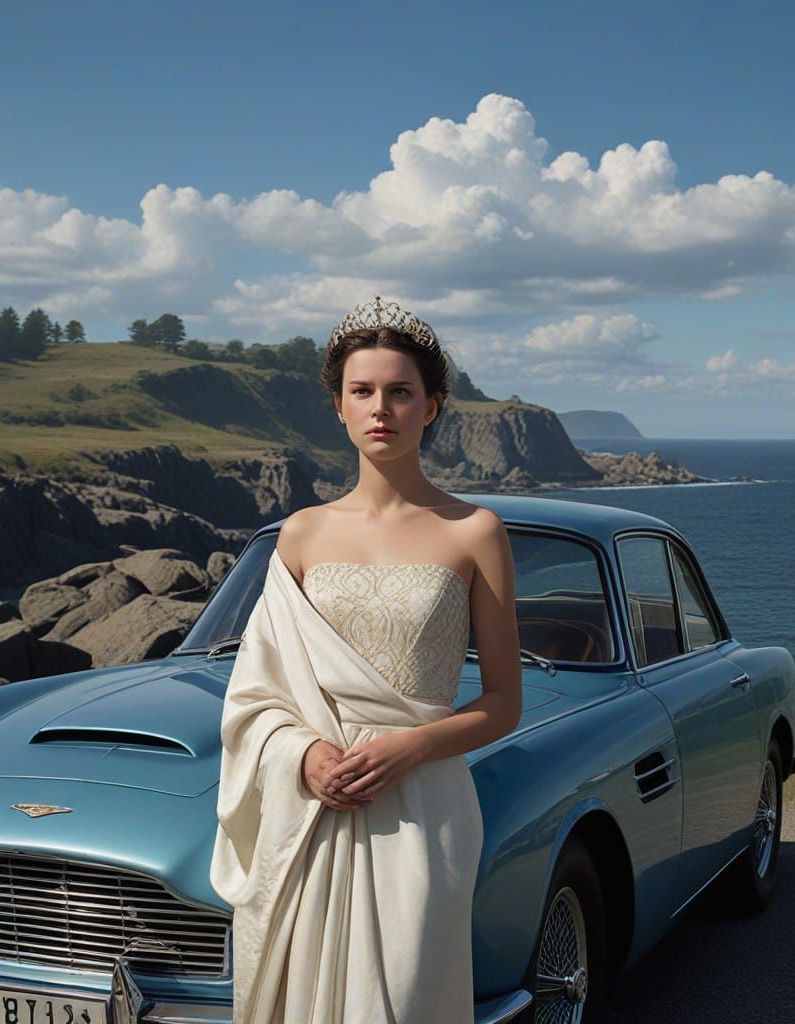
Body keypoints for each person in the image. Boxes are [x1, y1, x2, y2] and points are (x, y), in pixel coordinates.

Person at [209, 296, 523, 1023]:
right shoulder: (301, 534)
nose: (381, 408)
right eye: (363, 391)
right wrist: (303, 755)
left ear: (431, 407)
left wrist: (411, 747)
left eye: (401, 392)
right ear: (340, 407)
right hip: (311, 810)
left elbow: (504, 702)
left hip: (421, 815)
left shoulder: (476, 531)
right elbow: (256, 695)